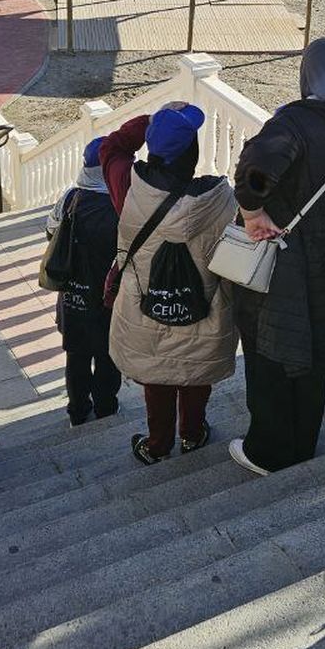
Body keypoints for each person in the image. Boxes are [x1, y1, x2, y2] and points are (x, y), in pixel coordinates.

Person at [230, 37, 325, 475]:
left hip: (288, 263)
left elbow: (255, 172)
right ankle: (302, 444)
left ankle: (267, 452)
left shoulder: (295, 124)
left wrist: (252, 212)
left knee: (272, 354)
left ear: (307, 76)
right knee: (314, 359)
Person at [101, 104, 239, 464]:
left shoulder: (129, 188)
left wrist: (149, 122)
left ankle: (157, 444)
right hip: (205, 309)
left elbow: (111, 149)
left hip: (145, 308)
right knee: (195, 374)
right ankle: (193, 435)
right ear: (193, 154)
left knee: (157, 378)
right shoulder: (222, 199)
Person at [45, 137, 121, 425]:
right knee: (107, 356)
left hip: (73, 295)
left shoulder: (70, 198)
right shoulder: (119, 204)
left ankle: (77, 410)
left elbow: (50, 233)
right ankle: (106, 408)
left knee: (75, 357)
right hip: (107, 296)